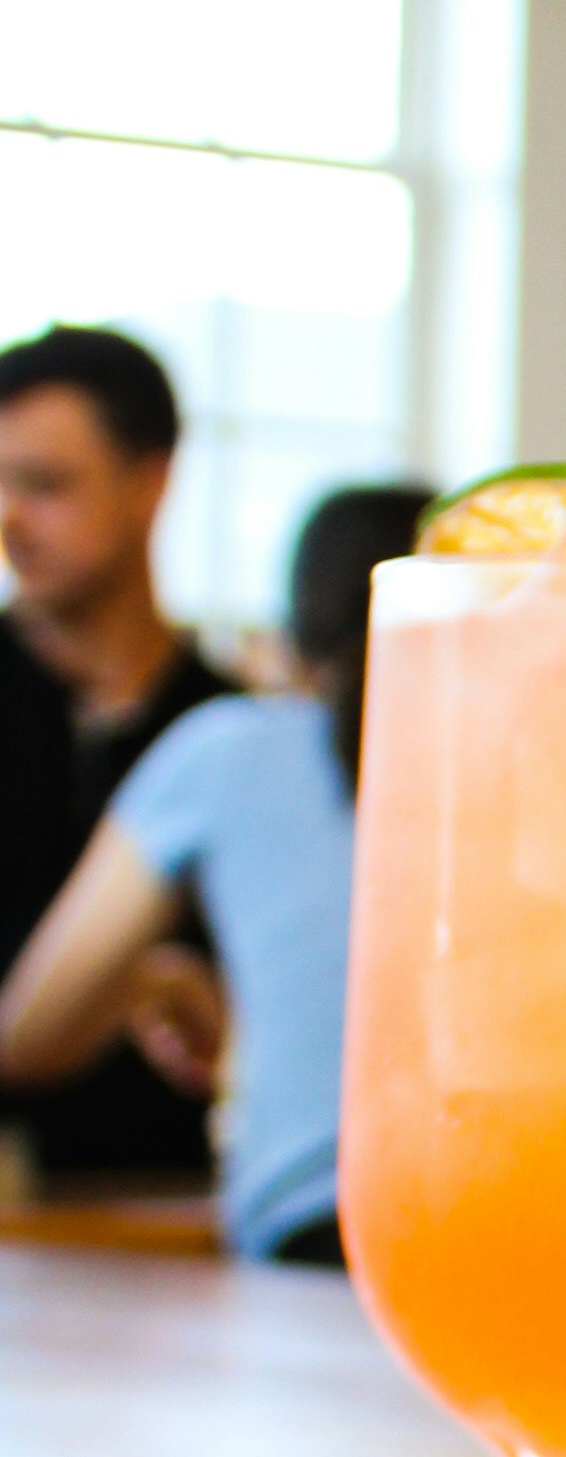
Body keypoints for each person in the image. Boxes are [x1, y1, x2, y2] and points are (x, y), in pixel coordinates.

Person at [0, 483, 424, 1264]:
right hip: (516, 1228)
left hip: (315, 1232)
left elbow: (26, 1032)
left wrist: (143, 981)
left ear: (291, 639)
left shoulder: (230, 748)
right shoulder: (526, 772)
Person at [0, 325, 235, 1186]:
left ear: (151, 482)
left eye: (45, 485)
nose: (8, 520)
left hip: (183, 1210)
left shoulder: (230, 730)